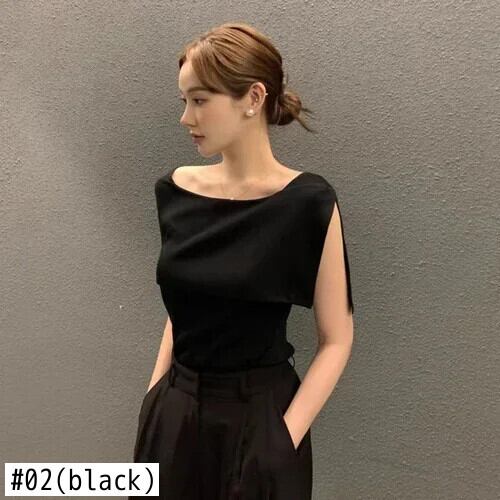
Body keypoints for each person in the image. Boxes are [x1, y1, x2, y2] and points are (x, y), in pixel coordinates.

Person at [130, 22, 354, 500]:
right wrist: (155, 397)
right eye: (184, 100)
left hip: (261, 422)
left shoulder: (308, 203)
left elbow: (337, 338)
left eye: (200, 100)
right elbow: (186, 304)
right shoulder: (174, 192)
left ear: (253, 97)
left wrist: (284, 439)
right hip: (174, 417)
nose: (186, 117)